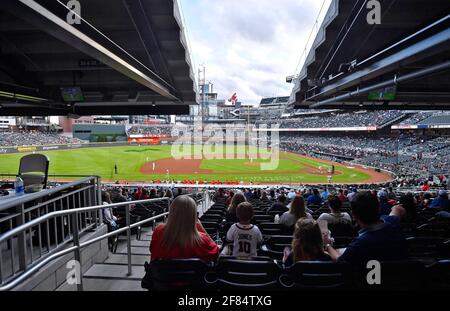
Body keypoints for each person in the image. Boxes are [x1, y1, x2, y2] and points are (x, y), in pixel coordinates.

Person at [324, 192, 407, 264]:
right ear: (378, 209)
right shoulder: (392, 222)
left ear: (354, 216)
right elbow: (396, 212)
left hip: (373, 280)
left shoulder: (360, 244)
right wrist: (395, 208)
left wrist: (327, 246)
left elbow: (339, 260)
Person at [150, 195, 219, 262]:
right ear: (194, 216)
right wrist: (201, 229)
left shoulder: (158, 231)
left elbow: (152, 251)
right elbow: (216, 253)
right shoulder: (202, 240)